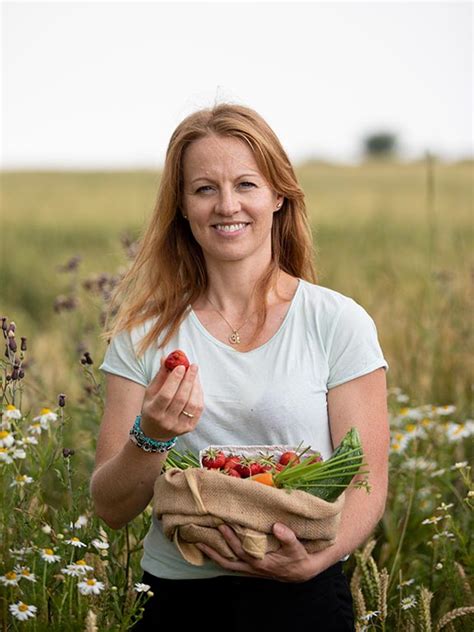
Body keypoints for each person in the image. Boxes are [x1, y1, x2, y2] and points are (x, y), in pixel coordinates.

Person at [90, 103, 390, 631]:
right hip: (179, 601)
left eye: (246, 184)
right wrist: (153, 435)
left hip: (305, 596)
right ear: (181, 205)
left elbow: (365, 483)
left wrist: (315, 561)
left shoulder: (337, 322)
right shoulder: (144, 336)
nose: (227, 205)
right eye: (204, 188)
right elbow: (111, 508)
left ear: (278, 195)